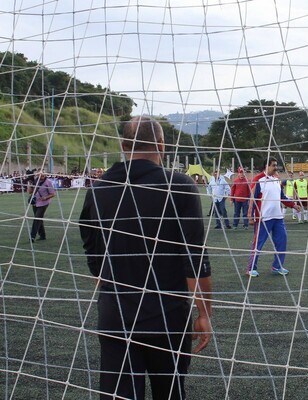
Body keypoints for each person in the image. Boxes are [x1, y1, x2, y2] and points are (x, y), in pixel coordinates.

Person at [79, 116, 212, 399]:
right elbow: (195, 256)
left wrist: (107, 283)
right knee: (170, 391)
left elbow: (91, 246)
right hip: (167, 313)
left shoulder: (98, 188)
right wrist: (204, 313)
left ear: (124, 145)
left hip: (115, 312)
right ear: (162, 145)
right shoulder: (179, 184)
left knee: (119, 393)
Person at [246, 158, 302, 277]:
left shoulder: (277, 180)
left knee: (282, 241)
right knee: (258, 244)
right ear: (267, 166)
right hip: (263, 219)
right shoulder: (258, 180)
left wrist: (293, 205)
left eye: (276, 165)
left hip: (278, 217)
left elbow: (282, 197)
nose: (276, 167)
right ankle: (251, 268)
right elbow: (252, 200)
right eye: (273, 165)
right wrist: (250, 216)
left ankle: (277, 266)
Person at [29, 170, 56, 242]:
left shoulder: (48, 182)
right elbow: (29, 192)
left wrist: (46, 197)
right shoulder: (35, 181)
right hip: (35, 202)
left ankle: (32, 236)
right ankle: (42, 235)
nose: (42, 175)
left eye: (43, 173)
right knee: (39, 219)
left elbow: (53, 194)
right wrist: (30, 184)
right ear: (38, 174)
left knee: (37, 218)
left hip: (44, 203)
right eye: (40, 174)